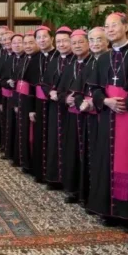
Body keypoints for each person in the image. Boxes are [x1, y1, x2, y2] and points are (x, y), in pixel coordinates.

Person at [87, 13, 128, 225]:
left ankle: (127, 213)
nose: (110, 29)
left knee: (127, 161)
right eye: (107, 26)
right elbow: (94, 88)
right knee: (105, 160)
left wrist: (126, 101)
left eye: (114, 25)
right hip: (107, 117)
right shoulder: (103, 58)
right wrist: (106, 101)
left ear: (126, 27)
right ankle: (108, 210)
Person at [76, 27, 110, 206]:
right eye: (92, 40)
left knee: (101, 158)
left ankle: (99, 201)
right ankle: (87, 196)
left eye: (99, 39)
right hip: (87, 117)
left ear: (107, 41)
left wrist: (93, 102)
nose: (95, 43)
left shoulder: (111, 61)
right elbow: (78, 89)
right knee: (88, 155)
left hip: (104, 116)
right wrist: (80, 102)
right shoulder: (89, 63)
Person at [60, 29, 92, 204]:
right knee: (72, 152)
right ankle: (73, 190)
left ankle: (87, 193)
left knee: (87, 153)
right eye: (74, 43)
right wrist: (66, 98)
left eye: (81, 42)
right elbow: (60, 89)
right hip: (72, 116)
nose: (77, 46)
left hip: (88, 116)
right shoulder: (70, 65)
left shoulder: (93, 63)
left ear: (88, 44)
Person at [44, 27, 75, 188]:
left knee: (68, 144)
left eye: (65, 41)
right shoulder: (54, 60)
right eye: (59, 41)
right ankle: (54, 178)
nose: (61, 44)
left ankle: (68, 181)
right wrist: (50, 92)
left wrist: (62, 96)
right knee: (54, 142)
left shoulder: (76, 61)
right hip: (54, 108)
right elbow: (45, 83)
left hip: (69, 109)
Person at [30, 27, 58, 181]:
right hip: (39, 104)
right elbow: (31, 86)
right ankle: (40, 173)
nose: (42, 40)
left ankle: (53, 175)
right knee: (40, 137)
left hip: (55, 104)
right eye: (39, 38)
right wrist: (31, 109)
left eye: (44, 37)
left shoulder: (59, 56)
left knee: (54, 138)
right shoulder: (34, 58)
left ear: (51, 38)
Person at [15, 33, 40, 172]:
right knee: (23, 132)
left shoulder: (38, 60)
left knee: (31, 134)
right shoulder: (25, 58)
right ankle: (24, 161)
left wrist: (32, 108)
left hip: (32, 102)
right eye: (25, 43)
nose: (28, 46)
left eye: (31, 43)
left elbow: (34, 86)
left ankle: (30, 164)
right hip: (22, 100)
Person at [0, 34, 24, 161]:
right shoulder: (9, 59)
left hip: (22, 98)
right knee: (10, 125)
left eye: (19, 42)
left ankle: (19, 156)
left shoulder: (26, 59)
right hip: (11, 97)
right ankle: (11, 153)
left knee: (20, 128)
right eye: (14, 43)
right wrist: (8, 83)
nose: (16, 45)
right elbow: (1, 80)